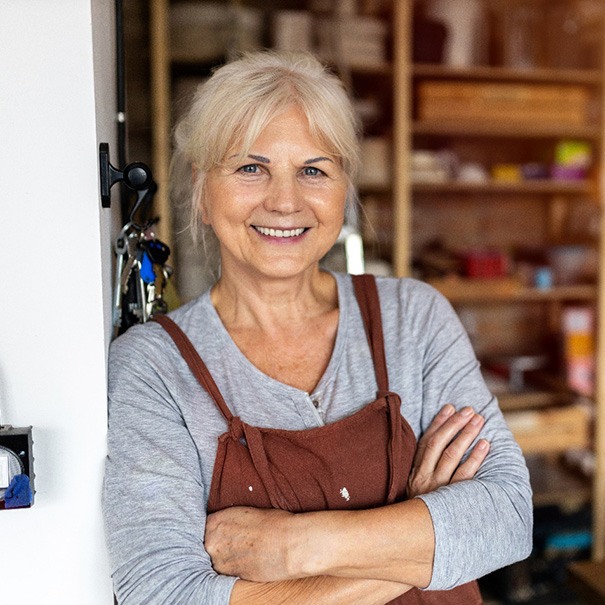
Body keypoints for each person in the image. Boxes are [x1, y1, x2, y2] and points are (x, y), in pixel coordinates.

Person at [103, 51, 532, 604]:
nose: (285, 202)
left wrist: (294, 545)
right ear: (201, 190)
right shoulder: (154, 366)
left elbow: (508, 518)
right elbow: (164, 594)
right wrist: (419, 531)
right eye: (250, 167)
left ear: (343, 190)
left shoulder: (413, 318)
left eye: (313, 170)